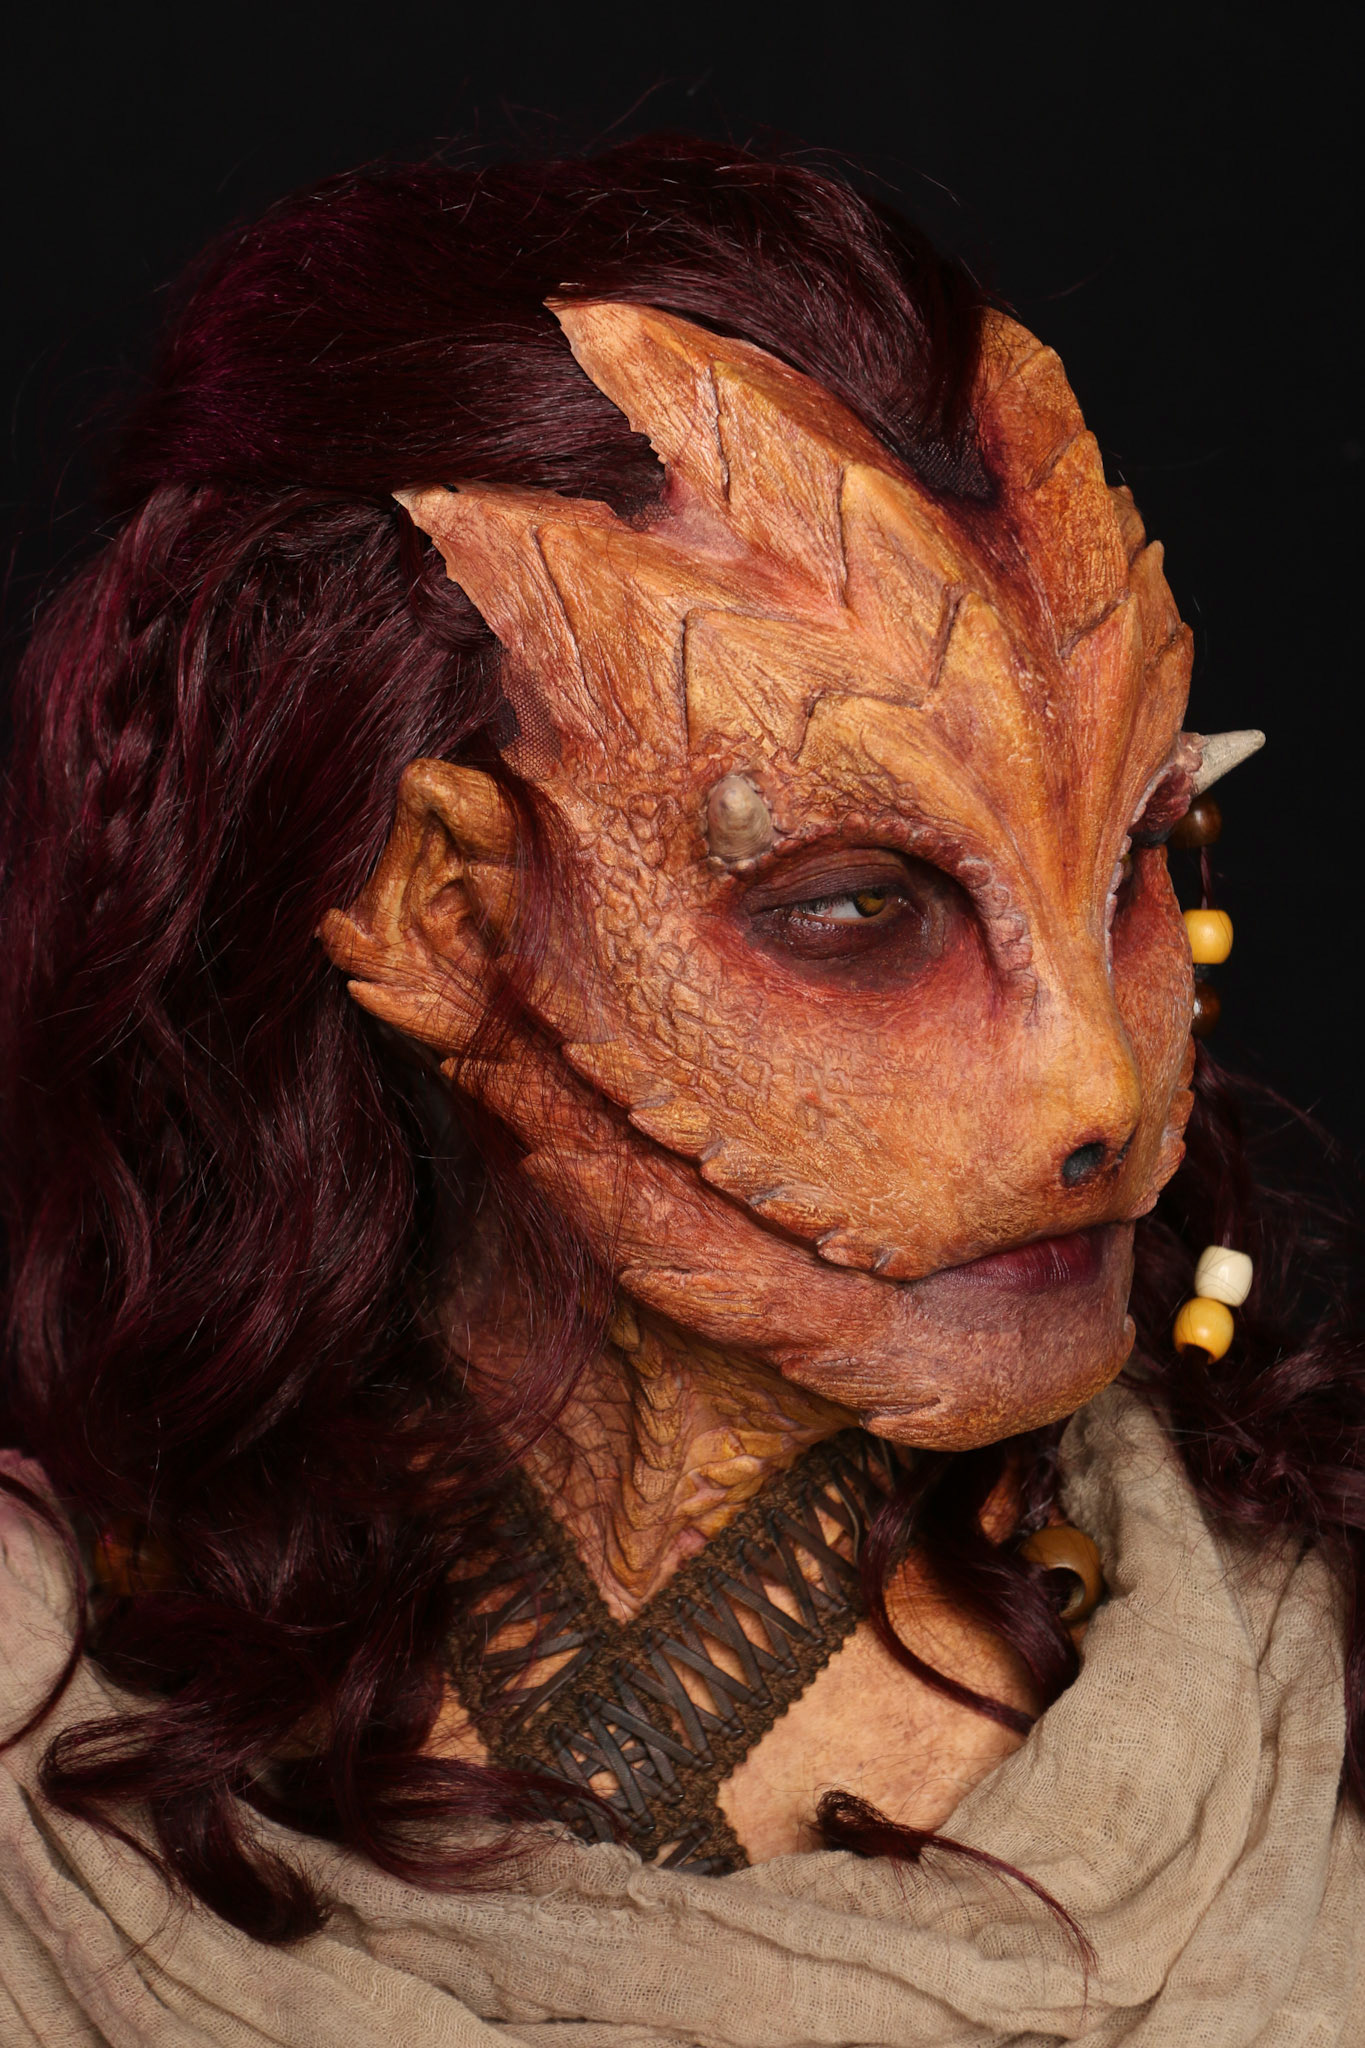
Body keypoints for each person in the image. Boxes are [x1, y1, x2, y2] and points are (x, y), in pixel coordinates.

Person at [0, 136, 1359, 2044]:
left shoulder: (1311, 1682)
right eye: (854, 908)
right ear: (437, 912)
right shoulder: (45, 1695)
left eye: (1137, 857)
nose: (1106, 1083)